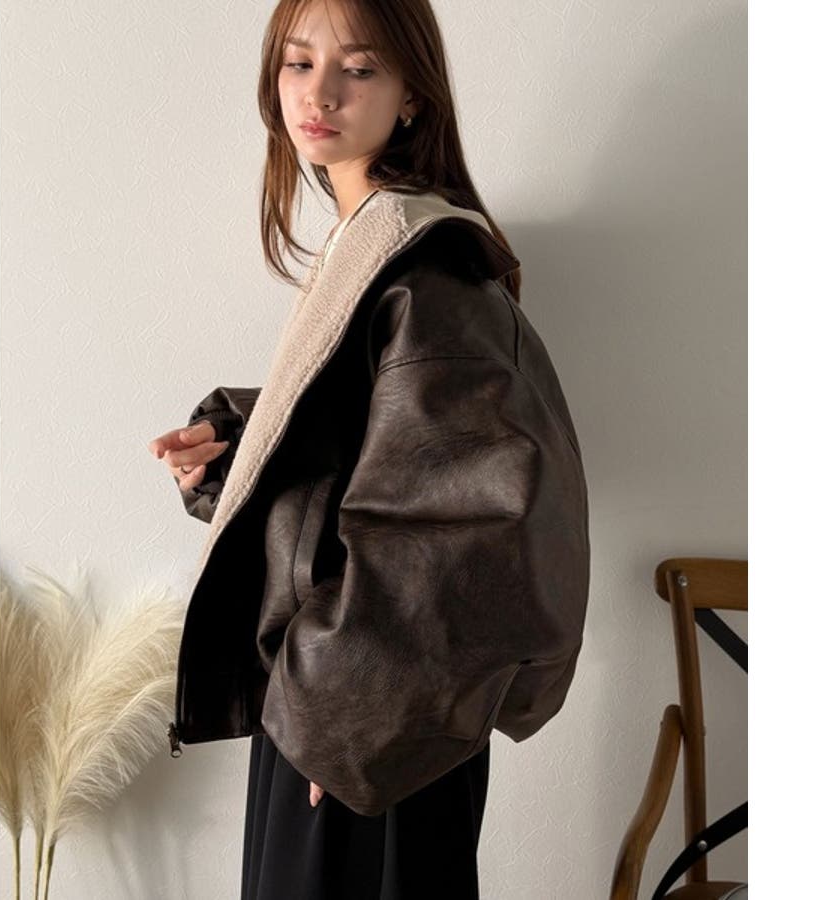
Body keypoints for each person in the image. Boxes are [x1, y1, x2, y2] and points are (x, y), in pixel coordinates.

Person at [147, 1, 590, 897]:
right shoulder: (368, 242)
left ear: (412, 95)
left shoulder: (426, 266)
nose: (320, 94)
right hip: (343, 706)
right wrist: (245, 448)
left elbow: (463, 523)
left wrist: (347, 719)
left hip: (368, 722)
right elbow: (387, 453)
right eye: (297, 63)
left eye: (358, 68)